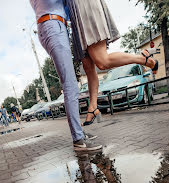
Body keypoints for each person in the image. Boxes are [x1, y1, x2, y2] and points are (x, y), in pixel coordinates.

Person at [65, 0, 159, 126]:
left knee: (102, 61)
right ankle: (92, 107)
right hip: (74, 15)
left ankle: (144, 59)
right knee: (88, 66)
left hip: (84, 7)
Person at [29, 0, 102, 152]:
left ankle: (79, 134)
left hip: (56, 25)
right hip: (52, 25)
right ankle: (78, 139)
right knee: (70, 85)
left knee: (71, 84)